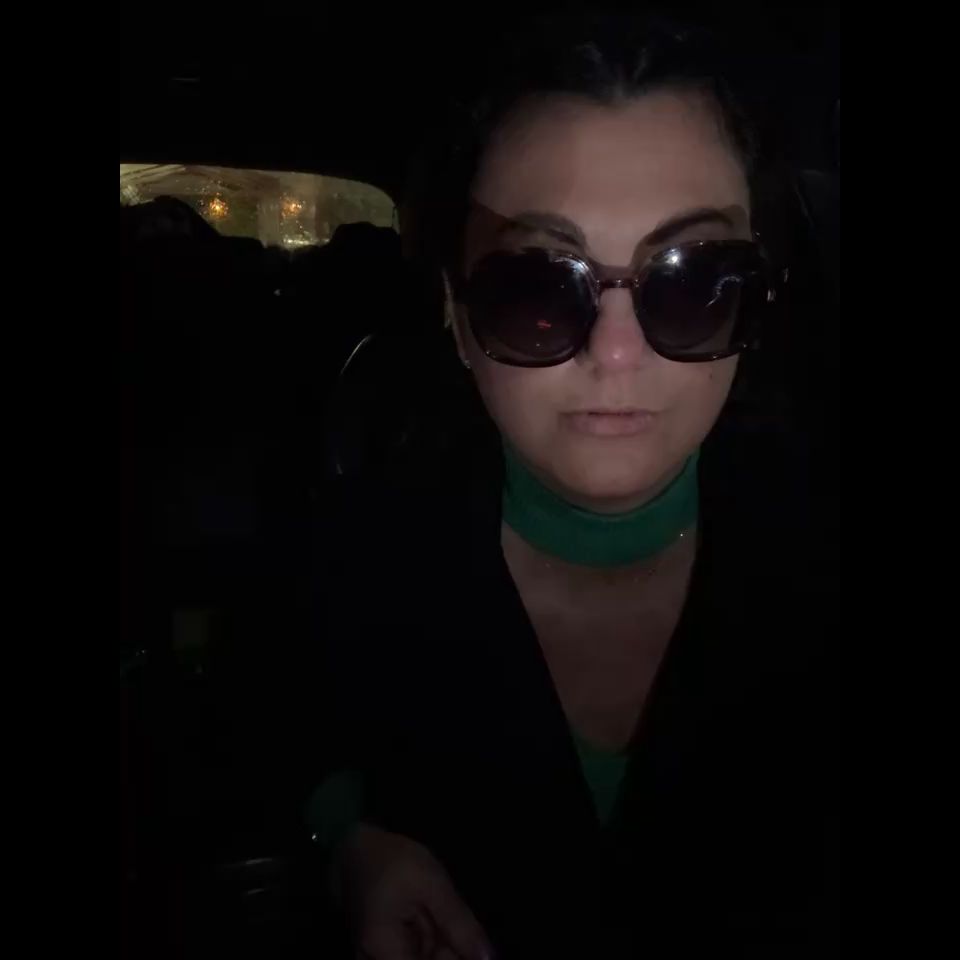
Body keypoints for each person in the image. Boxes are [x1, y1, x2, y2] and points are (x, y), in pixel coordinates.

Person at [313, 15, 826, 958]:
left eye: (695, 279)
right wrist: (349, 840)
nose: (615, 353)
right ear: (457, 316)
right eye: (537, 286)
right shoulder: (350, 560)